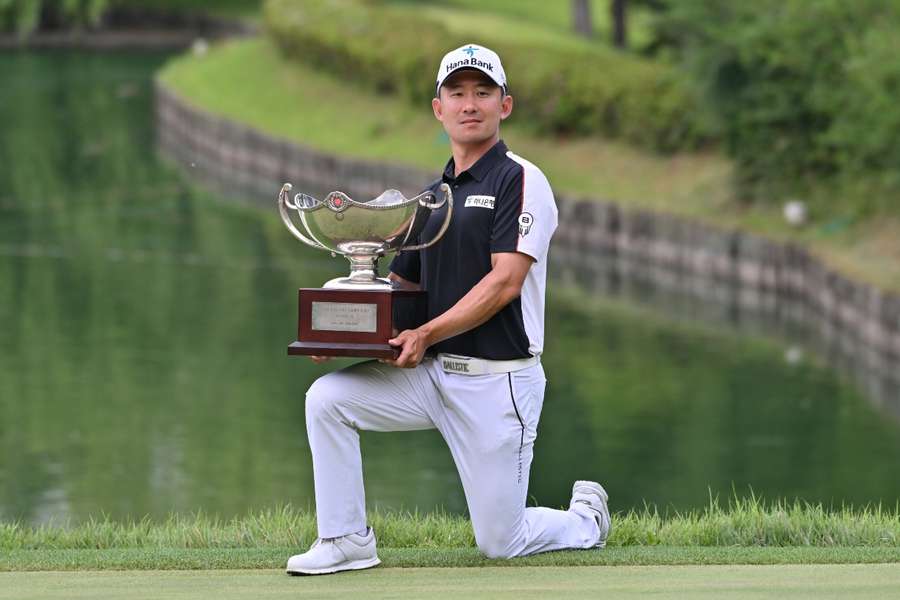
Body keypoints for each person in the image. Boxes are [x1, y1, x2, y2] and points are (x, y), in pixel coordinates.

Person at [286, 43, 611, 576]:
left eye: (483, 93)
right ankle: (346, 539)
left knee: (501, 542)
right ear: (438, 109)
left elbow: (505, 282)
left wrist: (428, 334)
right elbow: (399, 286)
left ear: (504, 105)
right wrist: (339, 335)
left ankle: (585, 520)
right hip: (430, 377)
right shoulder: (433, 197)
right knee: (327, 400)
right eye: (456, 93)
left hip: (497, 382)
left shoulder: (522, 181)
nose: (469, 104)